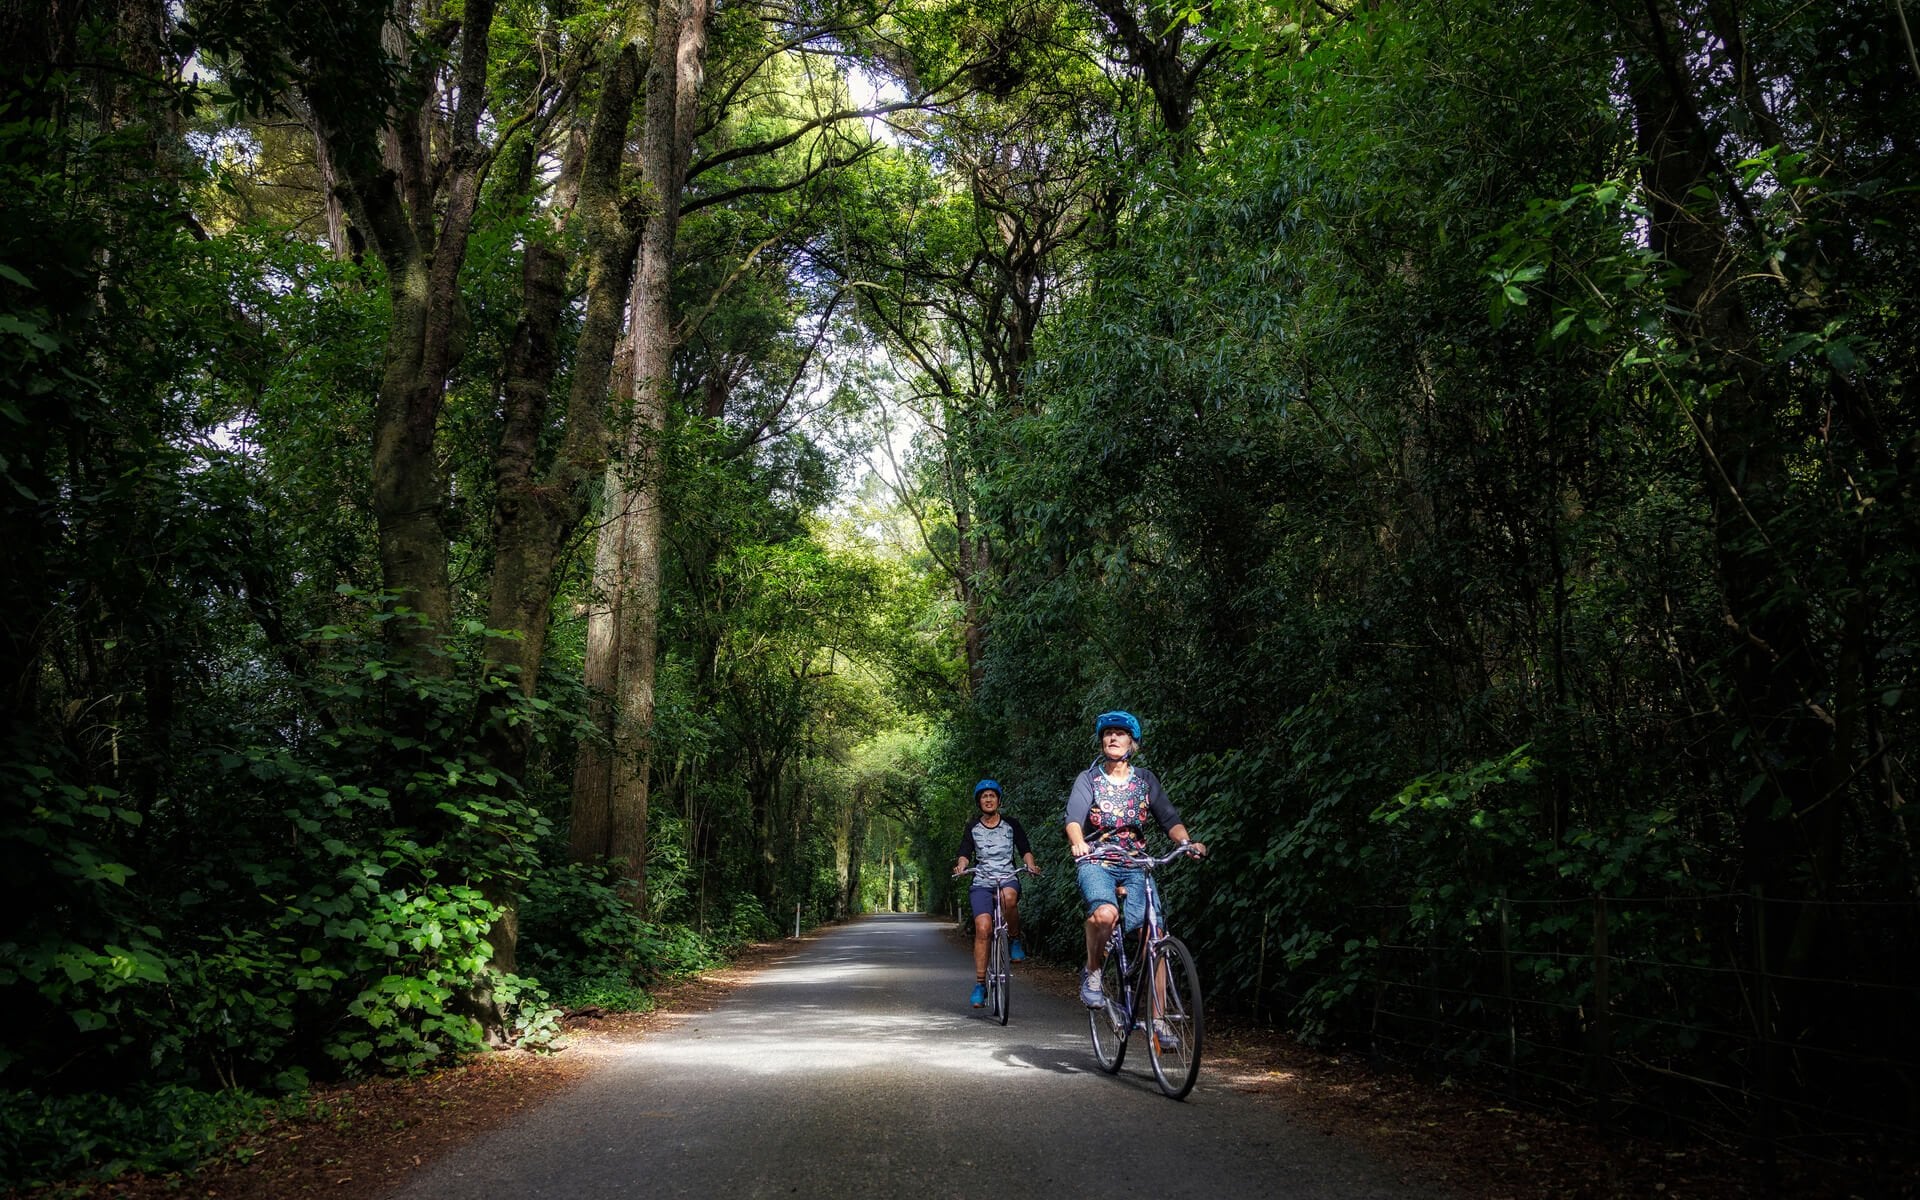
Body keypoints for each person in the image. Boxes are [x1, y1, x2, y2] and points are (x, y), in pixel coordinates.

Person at [1065, 710, 1207, 1026]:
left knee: (1154, 936)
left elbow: (1169, 819)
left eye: (1120, 733)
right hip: (1098, 861)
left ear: (1132, 742)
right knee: (1105, 915)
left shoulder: (1145, 780)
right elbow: (1074, 819)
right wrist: (1078, 841)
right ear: (1102, 741)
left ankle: (1158, 1024)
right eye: (1108, 733)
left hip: (1136, 865)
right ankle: (1093, 971)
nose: (1113, 738)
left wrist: (1187, 842)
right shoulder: (1089, 780)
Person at [952, 779, 1040, 1008]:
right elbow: (965, 852)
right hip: (981, 881)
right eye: (984, 796)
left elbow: (1025, 849)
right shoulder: (973, 827)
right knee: (983, 928)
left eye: (992, 795)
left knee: (1008, 898)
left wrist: (1030, 865)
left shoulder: (1012, 824)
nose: (988, 799)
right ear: (979, 802)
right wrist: (961, 866)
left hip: (1007, 877)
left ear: (999, 800)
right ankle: (980, 984)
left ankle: (1014, 939)